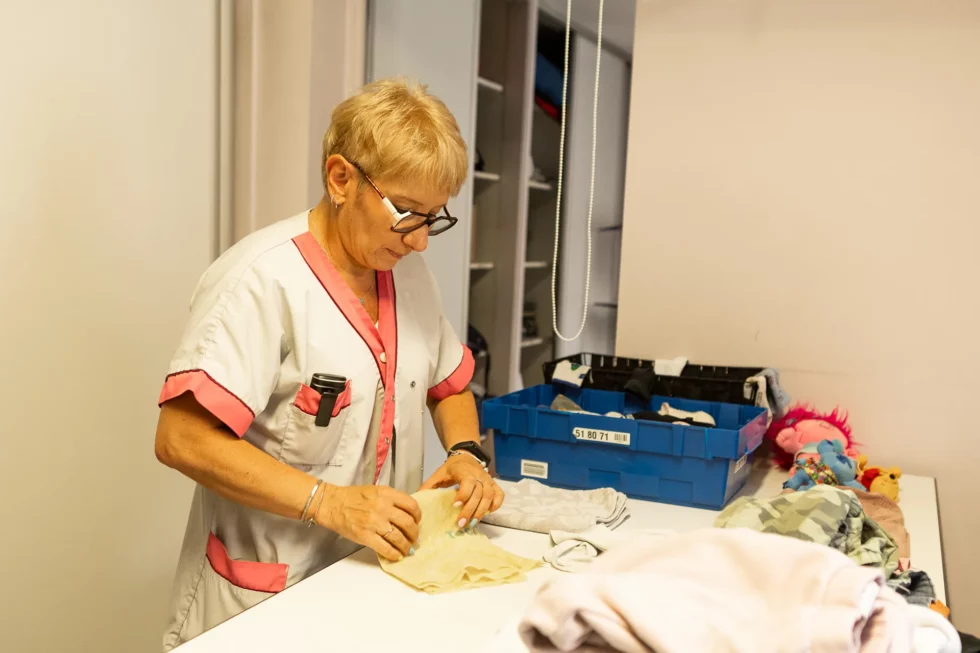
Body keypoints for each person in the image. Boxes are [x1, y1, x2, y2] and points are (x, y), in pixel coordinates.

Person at [154, 78, 503, 650]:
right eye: (407, 212)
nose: (420, 242)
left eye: (434, 217)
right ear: (341, 179)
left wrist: (465, 453)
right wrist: (329, 502)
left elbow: (449, 383)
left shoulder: (408, 274)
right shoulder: (260, 281)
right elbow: (181, 439)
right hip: (265, 597)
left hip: (373, 581)